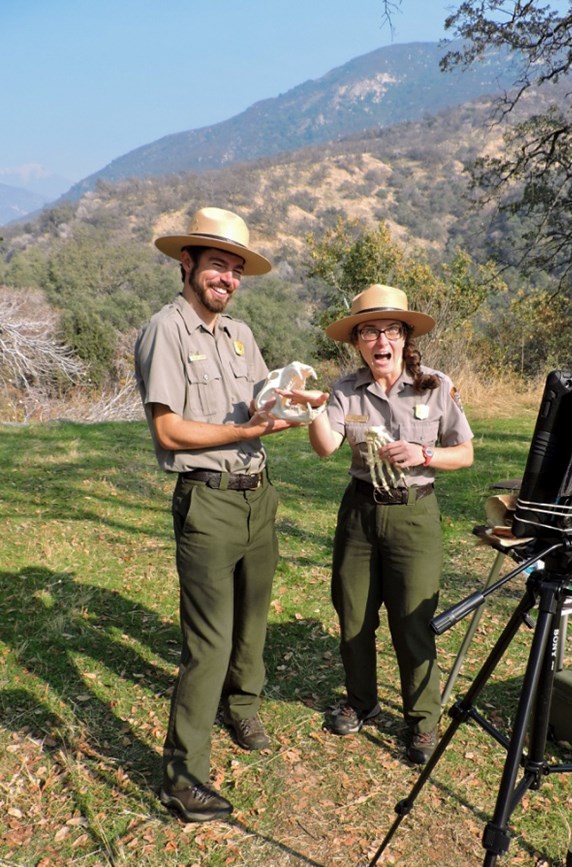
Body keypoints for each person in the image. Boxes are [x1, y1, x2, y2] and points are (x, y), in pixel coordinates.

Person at [135, 206, 297, 823]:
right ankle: (182, 777)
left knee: (254, 616)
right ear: (188, 263)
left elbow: (261, 405)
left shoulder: (240, 334)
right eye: (217, 265)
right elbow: (170, 430)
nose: (227, 278)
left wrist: (287, 410)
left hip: (259, 494)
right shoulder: (165, 331)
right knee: (209, 642)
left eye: (236, 269)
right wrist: (250, 427)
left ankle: (244, 706)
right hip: (207, 500)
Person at [285, 284, 474, 764]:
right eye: (368, 331)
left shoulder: (435, 384)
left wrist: (424, 453)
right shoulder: (346, 391)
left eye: (390, 329)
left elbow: (466, 453)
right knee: (354, 616)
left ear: (405, 336)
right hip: (360, 515)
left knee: (413, 622)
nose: (380, 340)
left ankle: (423, 722)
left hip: (415, 513)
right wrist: (312, 409)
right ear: (357, 342)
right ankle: (361, 701)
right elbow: (326, 447)